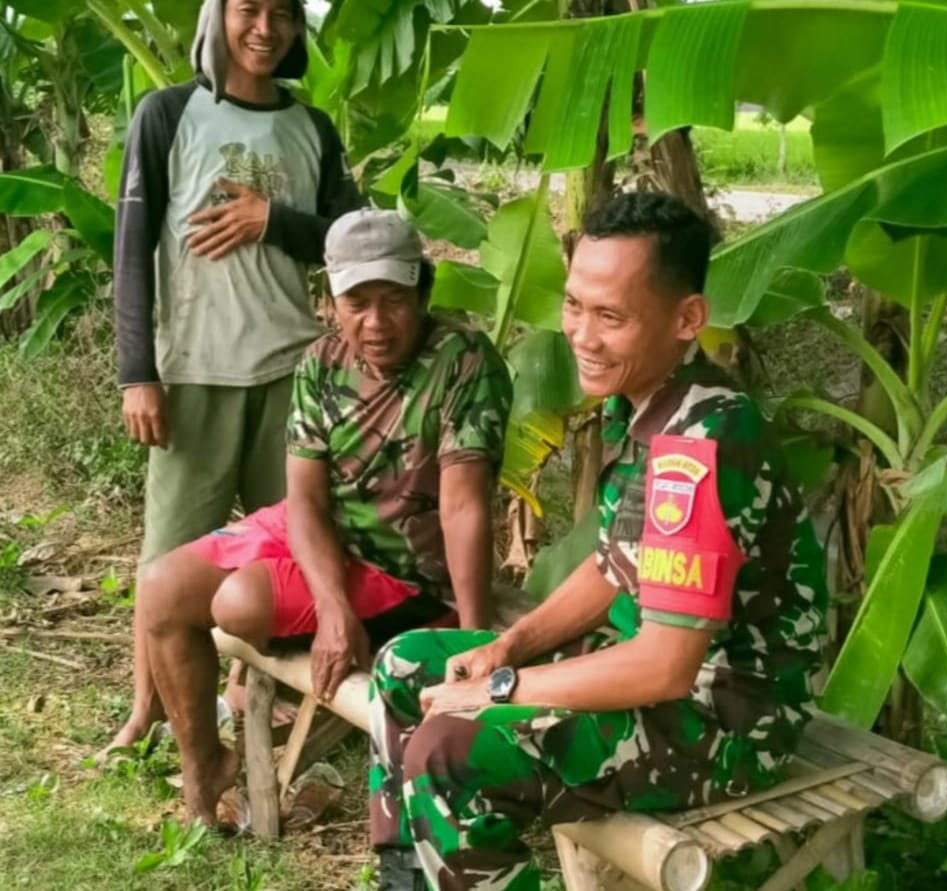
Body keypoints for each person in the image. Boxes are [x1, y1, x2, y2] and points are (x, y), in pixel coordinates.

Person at [366, 192, 829, 891]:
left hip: (728, 719)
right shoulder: (642, 399)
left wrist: (499, 689)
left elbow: (665, 667)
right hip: (652, 676)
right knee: (406, 664)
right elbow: (614, 563)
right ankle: (410, 880)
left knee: (452, 749)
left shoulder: (698, 444)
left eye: (609, 316)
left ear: (686, 319)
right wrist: (505, 647)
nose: (581, 335)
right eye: (574, 305)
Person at [136, 207, 514, 824]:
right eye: (356, 302)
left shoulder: (463, 362)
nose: (375, 322)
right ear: (330, 300)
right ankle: (205, 763)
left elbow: (464, 503)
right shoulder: (321, 361)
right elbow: (305, 498)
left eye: (392, 299)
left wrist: (473, 642)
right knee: (161, 586)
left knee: (239, 604)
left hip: (402, 569)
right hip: (326, 536)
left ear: (423, 290)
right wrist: (333, 608)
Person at [106, 0, 362, 758]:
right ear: (218, 16)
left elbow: (349, 242)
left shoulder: (310, 128)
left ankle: (260, 695)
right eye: (248, 9)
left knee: (288, 550)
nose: (264, 27)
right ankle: (146, 708)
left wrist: (270, 218)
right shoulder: (167, 114)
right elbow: (131, 246)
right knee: (169, 555)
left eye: (282, 13)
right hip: (193, 372)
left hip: (291, 371)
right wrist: (135, 373)